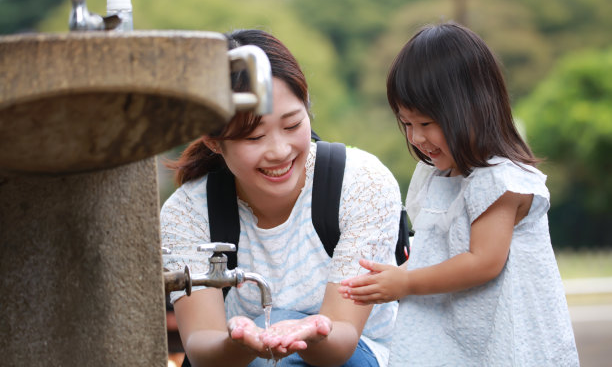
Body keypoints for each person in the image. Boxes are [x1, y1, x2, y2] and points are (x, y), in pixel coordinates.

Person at [338, 22, 579, 366]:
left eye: (426, 123)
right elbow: (435, 248)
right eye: (406, 124)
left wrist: (405, 282)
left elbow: (483, 262)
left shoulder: (499, 180)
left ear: (473, 108)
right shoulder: (435, 176)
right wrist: (394, 274)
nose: (416, 138)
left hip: (502, 337)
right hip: (457, 332)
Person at [161, 29, 401, 367]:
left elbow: (344, 336)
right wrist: (244, 344)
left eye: (291, 126)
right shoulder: (186, 213)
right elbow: (202, 346)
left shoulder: (362, 183)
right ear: (214, 141)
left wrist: (306, 334)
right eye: (254, 136)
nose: (279, 151)